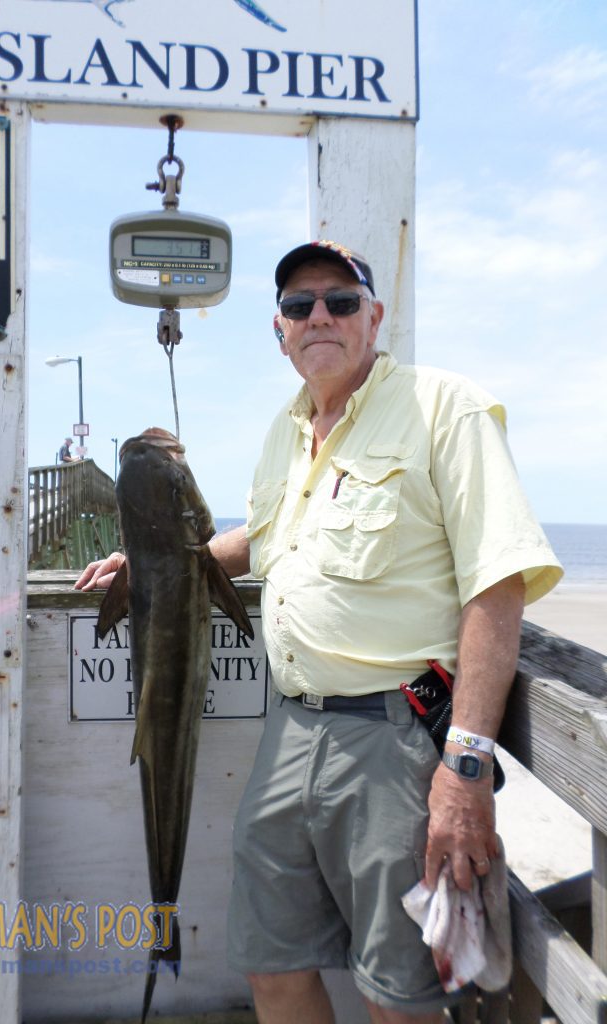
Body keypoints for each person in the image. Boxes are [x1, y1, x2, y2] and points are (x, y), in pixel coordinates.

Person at [75, 239, 562, 1024]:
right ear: (280, 331)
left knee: (396, 993)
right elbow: (267, 538)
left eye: (340, 300)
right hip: (291, 727)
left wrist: (466, 766)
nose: (320, 317)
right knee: (271, 964)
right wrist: (153, 557)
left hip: (395, 739)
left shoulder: (446, 407)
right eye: (300, 307)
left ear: (375, 315)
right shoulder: (285, 430)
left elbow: (498, 585)